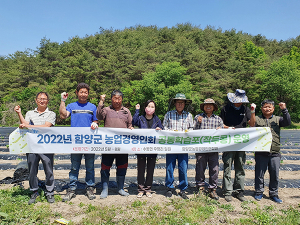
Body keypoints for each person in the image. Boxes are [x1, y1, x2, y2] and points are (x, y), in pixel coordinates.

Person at [14, 92, 56, 204]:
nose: (42, 100)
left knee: (49, 170)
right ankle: (34, 192)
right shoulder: (29, 113)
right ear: (36, 100)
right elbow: (25, 124)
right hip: (32, 146)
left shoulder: (51, 113)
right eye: (40, 99)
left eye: (44, 99)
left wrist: (29, 126)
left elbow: (46, 126)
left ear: (47, 101)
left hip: (47, 146)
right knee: (32, 170)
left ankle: (49, 192)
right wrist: (19, 114)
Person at [59, 83, 98, 201]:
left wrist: (95, 123)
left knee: (90, 167)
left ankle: (90, 188)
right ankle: (72, 189)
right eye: (81, 92)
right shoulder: (71, 105)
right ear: (77, 93)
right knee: (74, 167)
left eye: (85, 92)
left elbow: (96, 120)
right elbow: (63, 115)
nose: (83, 94)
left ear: (88, 94)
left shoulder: (92, 107)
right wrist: (62, 101)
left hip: (89, 142)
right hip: (75, 141)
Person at [249, 100, 291, 203]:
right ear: (262, 108)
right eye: (265, 107)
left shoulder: (277, 119)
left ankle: (274, 194)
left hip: (275, 152)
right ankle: (259, 192)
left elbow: (287, 122)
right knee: (259, 174)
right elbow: (252, 124)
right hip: (261, 152)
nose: (267, 109)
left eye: (270, 107)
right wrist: (252, 112)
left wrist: (284, 109)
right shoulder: (258, 118)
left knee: (274, 174)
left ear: (273, 109)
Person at [96, 90, 133, 198]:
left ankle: (120, 188)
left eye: (119, 98)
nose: (117, 101)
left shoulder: (126, 111)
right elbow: (98, 116)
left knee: (122, 166)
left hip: (122, 146)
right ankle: (104, 189)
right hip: (108, 145)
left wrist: (131, 128)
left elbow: (130, 125)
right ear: (111, 99)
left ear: (122, 99)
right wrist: (101, 102)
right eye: (115, 98)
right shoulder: (106, 110)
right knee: (105, 167)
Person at [219, 89, 251, 202]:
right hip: (228, 141)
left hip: (241, 142)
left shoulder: (246, 109)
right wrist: (228, 128)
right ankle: (227, 191)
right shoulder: (225, 109)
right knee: (227, 166)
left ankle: (239, 191)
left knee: (240, 166)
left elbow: (251, 124)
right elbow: (220, 123)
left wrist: (253, 111)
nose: (240, 103)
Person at [163, 93, 194, 199]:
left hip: (183, 146)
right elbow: (164, 128)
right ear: (175, 103)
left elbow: (192, 129)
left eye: (182, 102)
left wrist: (186, 132)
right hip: (171, 145)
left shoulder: (189, 115)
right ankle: (169, 188)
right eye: (178, 102)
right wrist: (172, 132)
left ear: (185, 104)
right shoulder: (168, 114)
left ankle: (183, 189)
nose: (180, 104)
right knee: (169, 167)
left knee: (183, 167)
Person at [193, 98, 224, 200]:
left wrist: (220, 130)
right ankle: (200, 188)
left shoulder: (218, 119)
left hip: (214, 149)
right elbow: (192, 132)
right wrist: (198, 123)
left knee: (214, 169)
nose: (208, 106)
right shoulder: (198, 117)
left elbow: (223, 134)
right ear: (203, 107)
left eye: (211, 105)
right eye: (206, 105)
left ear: (214, 107)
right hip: (201, 148)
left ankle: (212, 189)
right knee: (200, 168)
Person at [132, 100, 163, 198]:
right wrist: (137, 110)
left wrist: (160, 129)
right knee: (141, 169)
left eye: (152, 107)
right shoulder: (140, 118)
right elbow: (133, 122)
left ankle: (148, 189)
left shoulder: (157, 120)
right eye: (148, 106)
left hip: (152, 148)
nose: (150, 108)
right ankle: (141, 189)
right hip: (141, 148)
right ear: (145, 108)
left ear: (155, 109)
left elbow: (162, 129)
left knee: (150, 169)